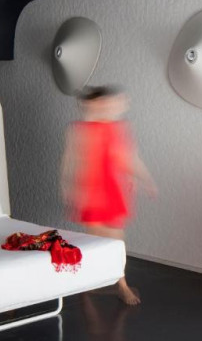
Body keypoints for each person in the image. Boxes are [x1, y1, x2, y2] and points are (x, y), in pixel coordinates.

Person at [60, 86, 157, 305]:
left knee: (116, 242)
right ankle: (98, 282)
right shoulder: (78, 129)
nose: (113, 107)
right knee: (95, 241)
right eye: (107, 103)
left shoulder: (119, 128)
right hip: (90, 192)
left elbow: (129, 159)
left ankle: (120, 284)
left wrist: (146, 179)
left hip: (113, 190)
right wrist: (67, 189)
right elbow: (69, 161)